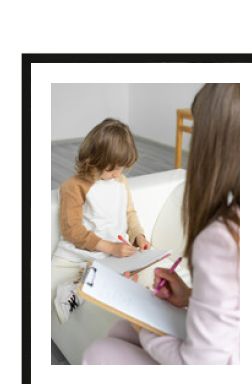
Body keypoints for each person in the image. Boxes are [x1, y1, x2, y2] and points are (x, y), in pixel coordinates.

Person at [82, 83, 240, 365]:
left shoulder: (222, 238)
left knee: (98, 353)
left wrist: (142, 325)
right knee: (118, 329)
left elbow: (200, 366)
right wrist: (191, 295)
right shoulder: (78, 188)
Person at [52, 118, 151, 323]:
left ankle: (98, 283)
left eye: (121, 168)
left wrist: (138, 235)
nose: (116, 174)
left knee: (137, 281)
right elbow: (72, 230)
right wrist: (110, 248)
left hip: (113, 254)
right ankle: (72, 291)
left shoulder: (120, 181)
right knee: (102, 285)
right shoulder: (74, 186)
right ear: (92, 159)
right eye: (110, 169)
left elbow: (130, 214)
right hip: (81, 253)